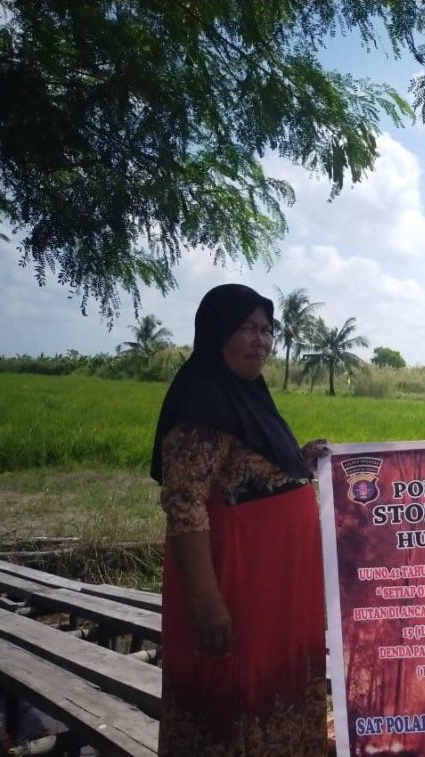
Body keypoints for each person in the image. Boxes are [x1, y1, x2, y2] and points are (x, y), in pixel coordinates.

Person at [150, 283, 332, 755]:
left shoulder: (250, 399)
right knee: (234, 697)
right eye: (246, 328)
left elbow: (253, 471)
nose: (261, 340)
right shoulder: (200, 404)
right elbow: (185, 503)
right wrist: (206, 600)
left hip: (281, 591)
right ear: (216, 333)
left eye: (266, 330)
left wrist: (301, 461)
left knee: (282, 689)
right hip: (236, 588)